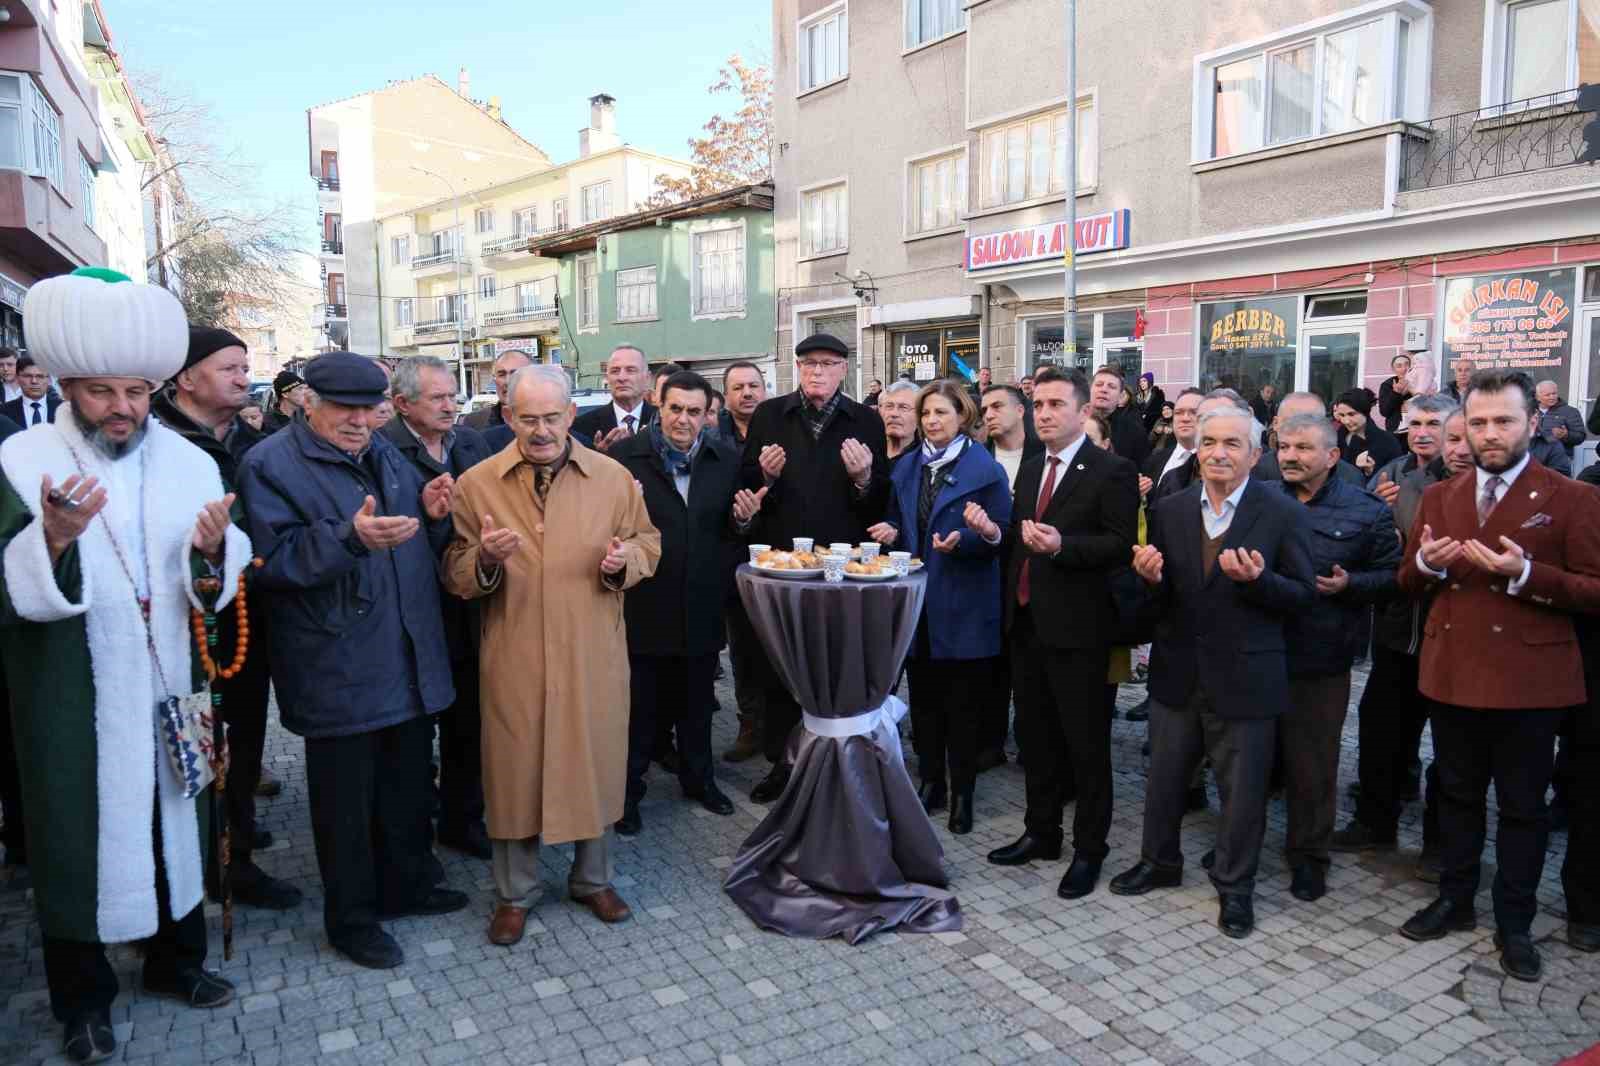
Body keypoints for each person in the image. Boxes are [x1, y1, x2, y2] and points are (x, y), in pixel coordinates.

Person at [0, 269, 252, 1061]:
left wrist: (215, 553)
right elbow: (11, 580)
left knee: (177, 817)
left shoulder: (188, 462)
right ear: (71, 386)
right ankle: (83, 1001)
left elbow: (215, 578)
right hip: (71, 694)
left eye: (137, 391)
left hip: (171, 683)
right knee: (77, 837)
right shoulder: (21, 459)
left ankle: (176, 965)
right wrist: (55, 540)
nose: (123, 408)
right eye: (104, 391)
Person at [239, 351, 466, 970]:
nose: (359, 421)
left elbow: (409, 538)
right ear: (307, 401)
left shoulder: (385, 453)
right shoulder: (269, 464)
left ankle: (405, 885)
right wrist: (347, 539)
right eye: (345, 407)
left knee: (405, 787)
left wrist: (434, 515)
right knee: (345, 808)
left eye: (370, 409)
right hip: (335, 662)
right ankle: (352, 920)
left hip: (406, 653)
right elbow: (270, 564)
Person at [442, 365, 661, 947]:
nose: (541, 430)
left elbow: (647, 542)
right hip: (514, 652)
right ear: (508, 416)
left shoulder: (613, 479)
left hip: (592, 649)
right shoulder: (478, 484)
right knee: (513, 771)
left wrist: (625, 564)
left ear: (571, 415)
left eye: (552, 417)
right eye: (528, 418)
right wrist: (486, 559)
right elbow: (456, 572)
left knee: (594, 758)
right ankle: (515, 893)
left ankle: (594, 879)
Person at [1395, 368, 1600, 982]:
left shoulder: (1572, 497)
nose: (1489, 434)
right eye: (1478, 422)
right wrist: (1427, 565)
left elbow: (1594, 590)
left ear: (1532, 424)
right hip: (1453, 672)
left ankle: (1515, 922)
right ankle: (1456, 900)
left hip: (1531, 682)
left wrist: (1527, 573)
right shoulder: (1439, 495)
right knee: (1455, 795)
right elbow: (1407, 581)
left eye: (1504, 420)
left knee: (1522, 808)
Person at [1110, 406, 1315, 939]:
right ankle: (1159, 862)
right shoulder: (1172, 509)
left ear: (1254, 454)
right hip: (1178, 671)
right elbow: (1160, 601)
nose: (1219, 453)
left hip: (1247, 678)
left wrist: (1258, 581)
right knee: (1163, 781)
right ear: (1197, 450)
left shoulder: (1282, 512)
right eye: (1209, 443)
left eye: (1231, 444)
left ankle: (1235, 887)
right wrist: (1150, 580)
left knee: (1242, 794)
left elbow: (1303, 597)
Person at [152, 327, 303, 911]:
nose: (245, 378)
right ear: (187, 377)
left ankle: (234, 854)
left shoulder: (247, 438)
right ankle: (188, 864)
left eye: (246, 368)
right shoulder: (158, 441)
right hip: (183, 629)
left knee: (242, 741)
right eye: (230, 368)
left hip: (247, 617)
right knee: (190, 749)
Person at [981, 367, 1138, 899]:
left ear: (1083, 412)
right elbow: (1021, 539)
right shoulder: (1029, 469)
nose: (1044, 414)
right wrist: (994, 533)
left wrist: (1063, 547)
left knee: (1086, 747)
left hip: (1082, 631)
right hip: (1027, 625)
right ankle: (1041, 832)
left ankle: (1090, 849)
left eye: (1055, 405)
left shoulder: (1111, 470)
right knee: (1037, 739)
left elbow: (1120, 546)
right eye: (1039, 404)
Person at [739, 333, 891, 802]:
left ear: (844, 369)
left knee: (835, 663)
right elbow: (746, 491)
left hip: (843, 569)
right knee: (782, 665)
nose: (816, 372)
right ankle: (783, 765)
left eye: (827, 364)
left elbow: (880, 499)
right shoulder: (770, 415)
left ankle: (839, 760)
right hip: (785, 563)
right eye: (808, 364)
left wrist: (864, 478)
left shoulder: (865, 419)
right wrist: (764, 475)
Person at [868, 381, 1011, 834]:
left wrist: (972, 536)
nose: (932, 421)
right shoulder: (908, 467)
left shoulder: (985, 469)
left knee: (963, 707)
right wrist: (891, 530)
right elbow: (900, 518)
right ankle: (931, 781)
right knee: (924, 701)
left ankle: (963, 793)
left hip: (964, 604)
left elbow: (1000, 535)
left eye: (942, 414)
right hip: (917, 603)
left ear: (962, 416)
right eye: (926, 413)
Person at [1332, 405, 1468, 874]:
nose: (1426, 434)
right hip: (1398, 626)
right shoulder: (1391, 473)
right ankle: (1375, 819)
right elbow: (1370, 538)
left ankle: (1440, 844)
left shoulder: (1466, 482)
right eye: (1419, 425)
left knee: (1450, 747)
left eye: (1439, 426)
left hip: (1449, 633)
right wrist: (1377, 507)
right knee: (1380, 725)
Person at [613, 370, 748, 834]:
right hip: (642, 608)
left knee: (697, 706)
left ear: (708, 415)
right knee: (638, 711)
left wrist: (744, 523)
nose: (684, 420)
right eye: (675, 409)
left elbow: (732, 535)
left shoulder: (725, 459)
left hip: (701, 606)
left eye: (695, 411)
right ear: (657, 405)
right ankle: (626, 794)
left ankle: (699, 780)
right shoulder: (624, 459)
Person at [1273, 414, 1400, 903]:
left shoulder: (1365, 510)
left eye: (1303, 449)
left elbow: (1393, 576)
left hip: (1322, 657)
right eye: (1284, 447)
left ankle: (1308, 857)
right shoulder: (1259, 497)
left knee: (1313, 766)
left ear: (1332, 456)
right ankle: (1237, 843)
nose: (1290, 456)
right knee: (1251, 759)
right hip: (1260, 651)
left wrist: (1352, 585)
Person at [382, 356, 495, 860]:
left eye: (453, 395)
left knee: (468, 723)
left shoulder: (472, 442)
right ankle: (414, 822)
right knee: (412, 729)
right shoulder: (383, 450)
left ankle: (462, 818)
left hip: (469, 603)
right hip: (410, 610)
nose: (451, 405)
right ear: (402, 403)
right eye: (438, 398)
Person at [718, 361, 770, 763]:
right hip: (732, 558)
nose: (747, 393)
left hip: (779, 556)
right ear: (725, 395)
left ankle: (783, 728)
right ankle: (750, 725)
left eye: (754, 385)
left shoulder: (781, 430)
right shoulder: (712, 436)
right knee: (743, 649)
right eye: (738, 387)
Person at [573, 345, 656, 452]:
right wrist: (597, 456)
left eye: (630, 370)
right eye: (615, 371)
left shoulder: (663, 422)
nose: (621, 378)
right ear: (607, 379)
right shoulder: (581, 426)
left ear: (647, 378)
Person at [465, 348, 534, 447]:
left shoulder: (552, 421)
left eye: (515, 374)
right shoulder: (474, 422)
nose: (507, 381)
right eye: (501, 374)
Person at [1088, 365, 1152, 466]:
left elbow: (1144, 471)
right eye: (1099, 384)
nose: (1104, 390)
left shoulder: (1134, 432)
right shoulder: (1073, 426)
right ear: (1089, 390)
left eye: (1111, 386)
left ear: (1121, 396)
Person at [1333, 388, 1402, 479]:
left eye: (1351, 414)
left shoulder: (1387, 442)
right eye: (1342, 415)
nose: (1346, 421)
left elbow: (1396, 477)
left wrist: (1370, 472)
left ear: (1365, 412)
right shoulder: (1335, 438)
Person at [2, 354, 63, 428]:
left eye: (40, 376)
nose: (34, 381)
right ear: (17, 378)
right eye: (28, 376)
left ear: (49, 380)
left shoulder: (64, 409)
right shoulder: (3, 412)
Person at [1534, 380, 1586, 461]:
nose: (1552, 397)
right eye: (1547, 395)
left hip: (1559, 459)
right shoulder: (1529, 411)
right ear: (1538, 397)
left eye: (1554, 393)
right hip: (1533, 459)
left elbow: (1580, 436)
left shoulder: (1570, 411)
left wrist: (1566, 435)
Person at [878, 379, 920, 463]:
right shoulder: (867, 453)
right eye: (889, 406)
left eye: (904, 407)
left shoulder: (928, 460)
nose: (894, 414)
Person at [1378, 354, 1413, 432]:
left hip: (1415, 429)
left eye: (1407, 365)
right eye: (1399, 366)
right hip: (1396, 431)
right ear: (1393, 370)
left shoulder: (1420, 383)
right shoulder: (1387, 385)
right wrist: (1396, 393)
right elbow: (1384, 411)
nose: (1404, 369)